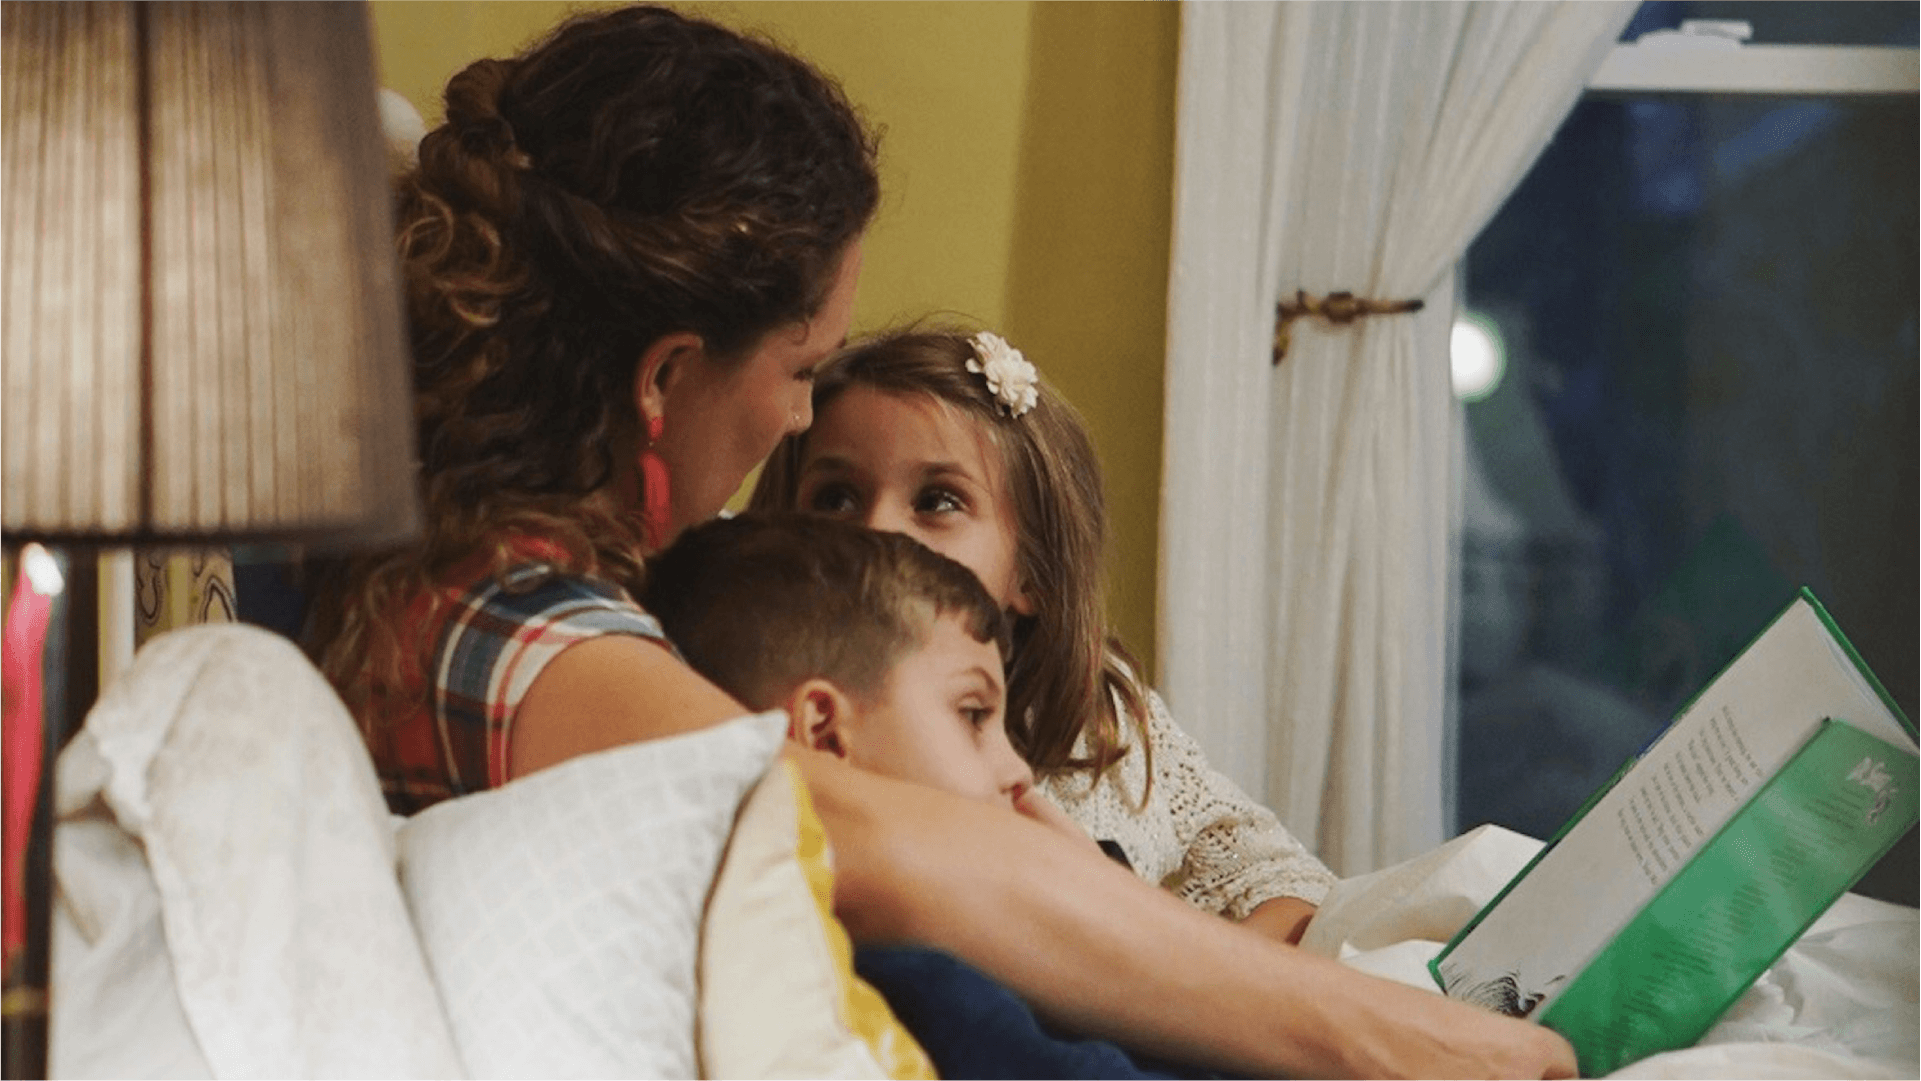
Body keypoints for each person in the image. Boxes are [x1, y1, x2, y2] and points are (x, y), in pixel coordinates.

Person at [306, 6, 1577, 1078]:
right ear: (666, 376)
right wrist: (1434, 1047)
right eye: (801, 369)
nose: (798, 416)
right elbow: (913, 862)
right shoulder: (506, 619)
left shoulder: (501, 570)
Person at [751, 326, 1333, 943]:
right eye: (836, 498)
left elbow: (1282, 880)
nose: (875, 531)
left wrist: (1186, 966)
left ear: (1028, 572)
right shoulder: (772, 717)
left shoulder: (1103, 713)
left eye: (938, 500)